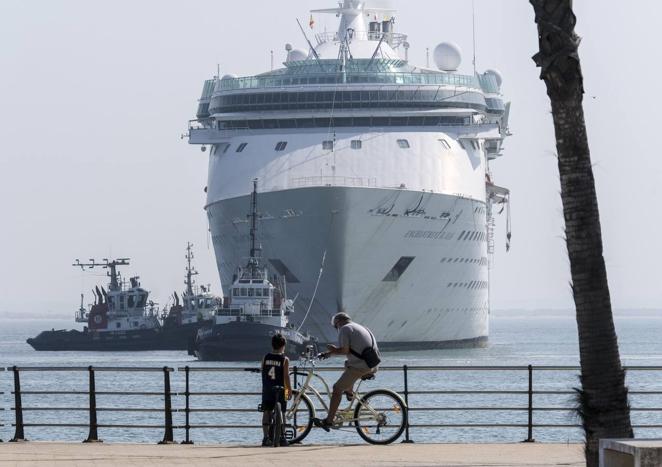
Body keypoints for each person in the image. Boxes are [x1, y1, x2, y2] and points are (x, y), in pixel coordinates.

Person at [313, 312, 380, 431]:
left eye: (335, 327)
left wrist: (333, 350)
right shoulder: (360, 327)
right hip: (372, 363)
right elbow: (352, 350)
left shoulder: (344, 329)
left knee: (337, 388)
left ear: (337, 323)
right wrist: (328, 354)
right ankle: (350, 391)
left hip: (361, 366)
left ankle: (329, 420)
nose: (337, 329)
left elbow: (344, 350)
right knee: (347, 364)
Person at [260, 333, 292, 446]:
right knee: (282, 412)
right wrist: (289, 391)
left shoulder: (265, 357)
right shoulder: (284, 359)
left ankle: (265, 438)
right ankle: (283, 437)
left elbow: (262, 372)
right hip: (280, 389)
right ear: (283, 346)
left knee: (266, 412)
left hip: (268, 389)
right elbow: (286, 377)